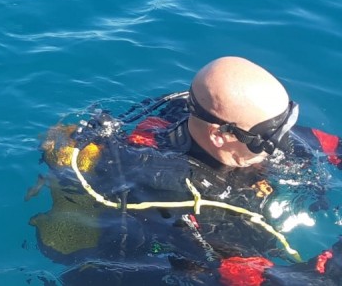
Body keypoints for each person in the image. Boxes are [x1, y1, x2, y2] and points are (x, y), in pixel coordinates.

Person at [30, 56, 342, 285]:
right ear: (221, 134)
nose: (282, 144)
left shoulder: (241, 127)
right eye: (269, 137)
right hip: (156, 257)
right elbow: (256, 277)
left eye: (284, 123)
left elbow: (331, 146)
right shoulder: (175, 194)